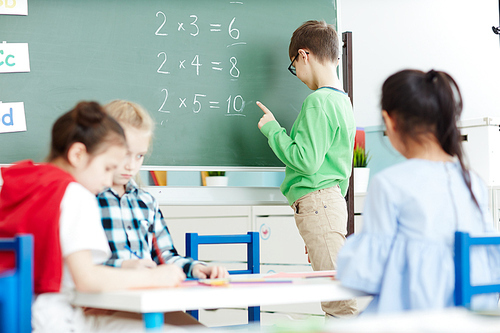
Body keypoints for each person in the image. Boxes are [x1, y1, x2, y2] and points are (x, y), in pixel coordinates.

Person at [0, 101, 186, 332]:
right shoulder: (75, 194)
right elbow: (88, 280)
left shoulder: (25, 182)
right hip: (55, 321)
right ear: (78, 154)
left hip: (15, 317)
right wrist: (157, 278)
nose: (109, 181)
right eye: (108, 168)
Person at [336, 69, 500, 314]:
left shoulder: (390, 184)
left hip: (419, 318)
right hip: (474, 318)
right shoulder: (472, 181)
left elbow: (365, 273)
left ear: (389, 121)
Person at [256, 20, 357, 318]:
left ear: (304, 55)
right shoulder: (342, 102)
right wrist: (325, 225)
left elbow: (305, 160)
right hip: (330, 204)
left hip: (318, 203)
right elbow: (342, 171)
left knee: (337, 299)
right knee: (336, 290)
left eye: (293, 67)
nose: (297, 75)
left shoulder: (317, 102)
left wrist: (273, 130)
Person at [97, 100, 229, 278]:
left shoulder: (146, 202)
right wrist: (122, 266)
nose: (131, 165)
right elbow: (77, 265)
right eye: (125, 154)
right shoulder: (87, 198)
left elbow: (165, 256)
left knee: (180, 307)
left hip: (145, 296)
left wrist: (195, 268)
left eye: (139, 156)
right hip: (103, 296)